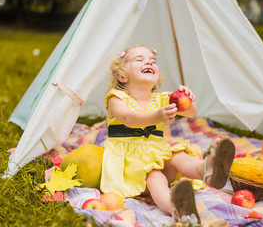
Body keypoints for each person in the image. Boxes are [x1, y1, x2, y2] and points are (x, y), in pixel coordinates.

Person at [100, 44, 235, 224]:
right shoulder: (117, 97)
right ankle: (177, 208)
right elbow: (127, 117)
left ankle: (208, 171)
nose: (148, 62)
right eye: (139, 59)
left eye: (152, 61)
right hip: (131, 168)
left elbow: (191, 112)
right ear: (122, 75)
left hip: (156, 155)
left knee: (177, 155)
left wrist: (187, 99)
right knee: (156, 177)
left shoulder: (162, 98)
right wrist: (155, 116)